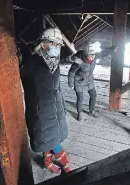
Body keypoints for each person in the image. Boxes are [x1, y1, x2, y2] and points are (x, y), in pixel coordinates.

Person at [20, 28, 70, 174]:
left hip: (56, 109)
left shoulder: (54, 62)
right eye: (53, 44)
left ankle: (47, 162)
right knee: (52, 141)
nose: (56, 48)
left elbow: (57, 88)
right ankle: (65, 165)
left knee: (49, 140)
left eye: (58, 45)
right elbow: (20, 58)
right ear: (43, 44)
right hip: (40, 113)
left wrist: (63, 107)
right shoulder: (29, 64)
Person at [68, 41, 117, 121]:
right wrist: (71, 83)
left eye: (94, 55)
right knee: (80, 98)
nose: (93, 57)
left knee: (93, 95)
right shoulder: (78, 61)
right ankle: (79, 113)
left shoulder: (95, 55)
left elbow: (104, 53)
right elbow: (71, 72)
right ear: (86, 54)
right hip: (79, 81)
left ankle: (91, 111)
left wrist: (112, 49)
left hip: (89, 79)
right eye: (90, 55)